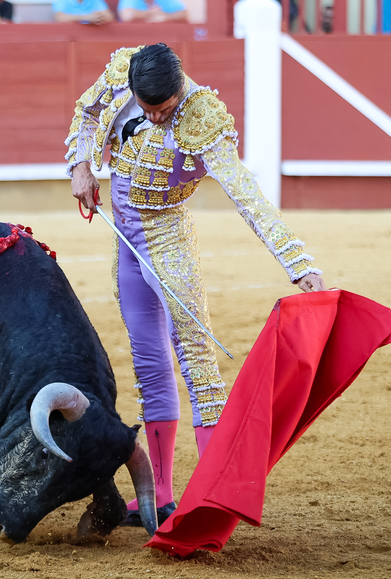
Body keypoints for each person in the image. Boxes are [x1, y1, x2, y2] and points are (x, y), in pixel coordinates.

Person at [66, 44, 325, 522]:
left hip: (168, 243)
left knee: (199, 368)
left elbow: (247, 195)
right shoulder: (126, 71)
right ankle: (160, 495)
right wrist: (81, 164)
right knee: (148, 362)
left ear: (179, 88)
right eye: (146, 108)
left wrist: (297, 262)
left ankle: (213, 498)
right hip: (127, 240)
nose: (154, 116)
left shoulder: (203, 117)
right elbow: (89, 110)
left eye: (162, 109)